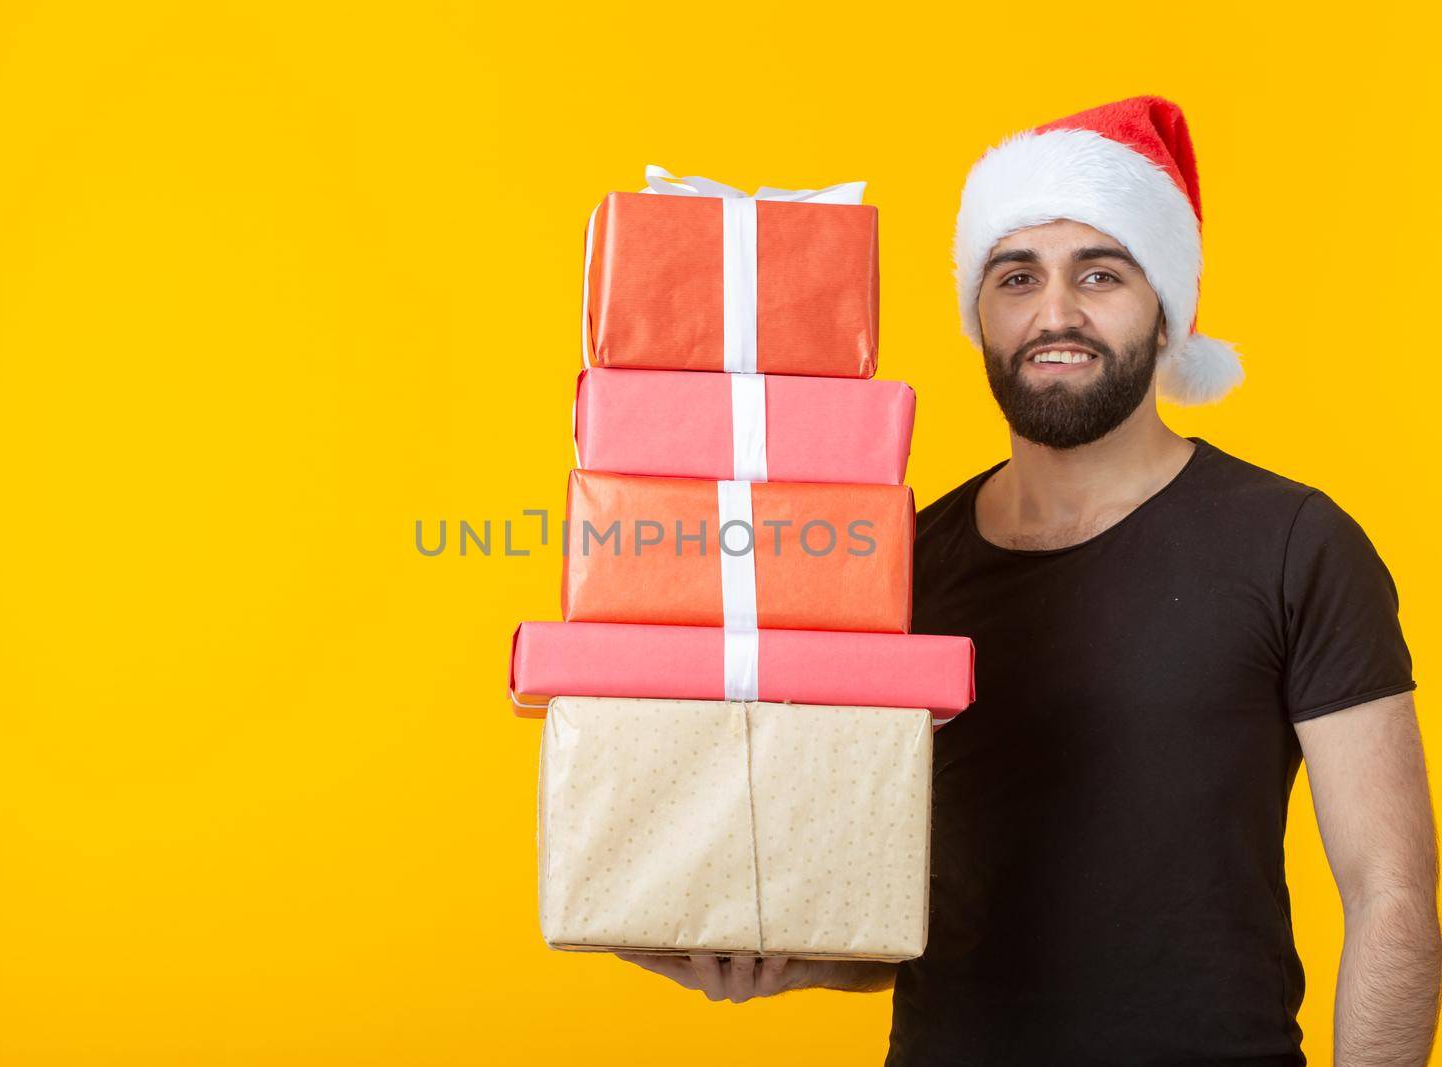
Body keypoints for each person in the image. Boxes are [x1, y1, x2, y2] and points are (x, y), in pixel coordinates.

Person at [616, 96, 1440, 1066]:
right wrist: (778, 947)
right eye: (1017, 276)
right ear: (979, 311)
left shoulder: (1295, 542)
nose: (1055, 311)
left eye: (1100, 272)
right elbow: (894, 904)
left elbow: (1392, 889)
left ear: (1168, 306)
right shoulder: (893, 560)